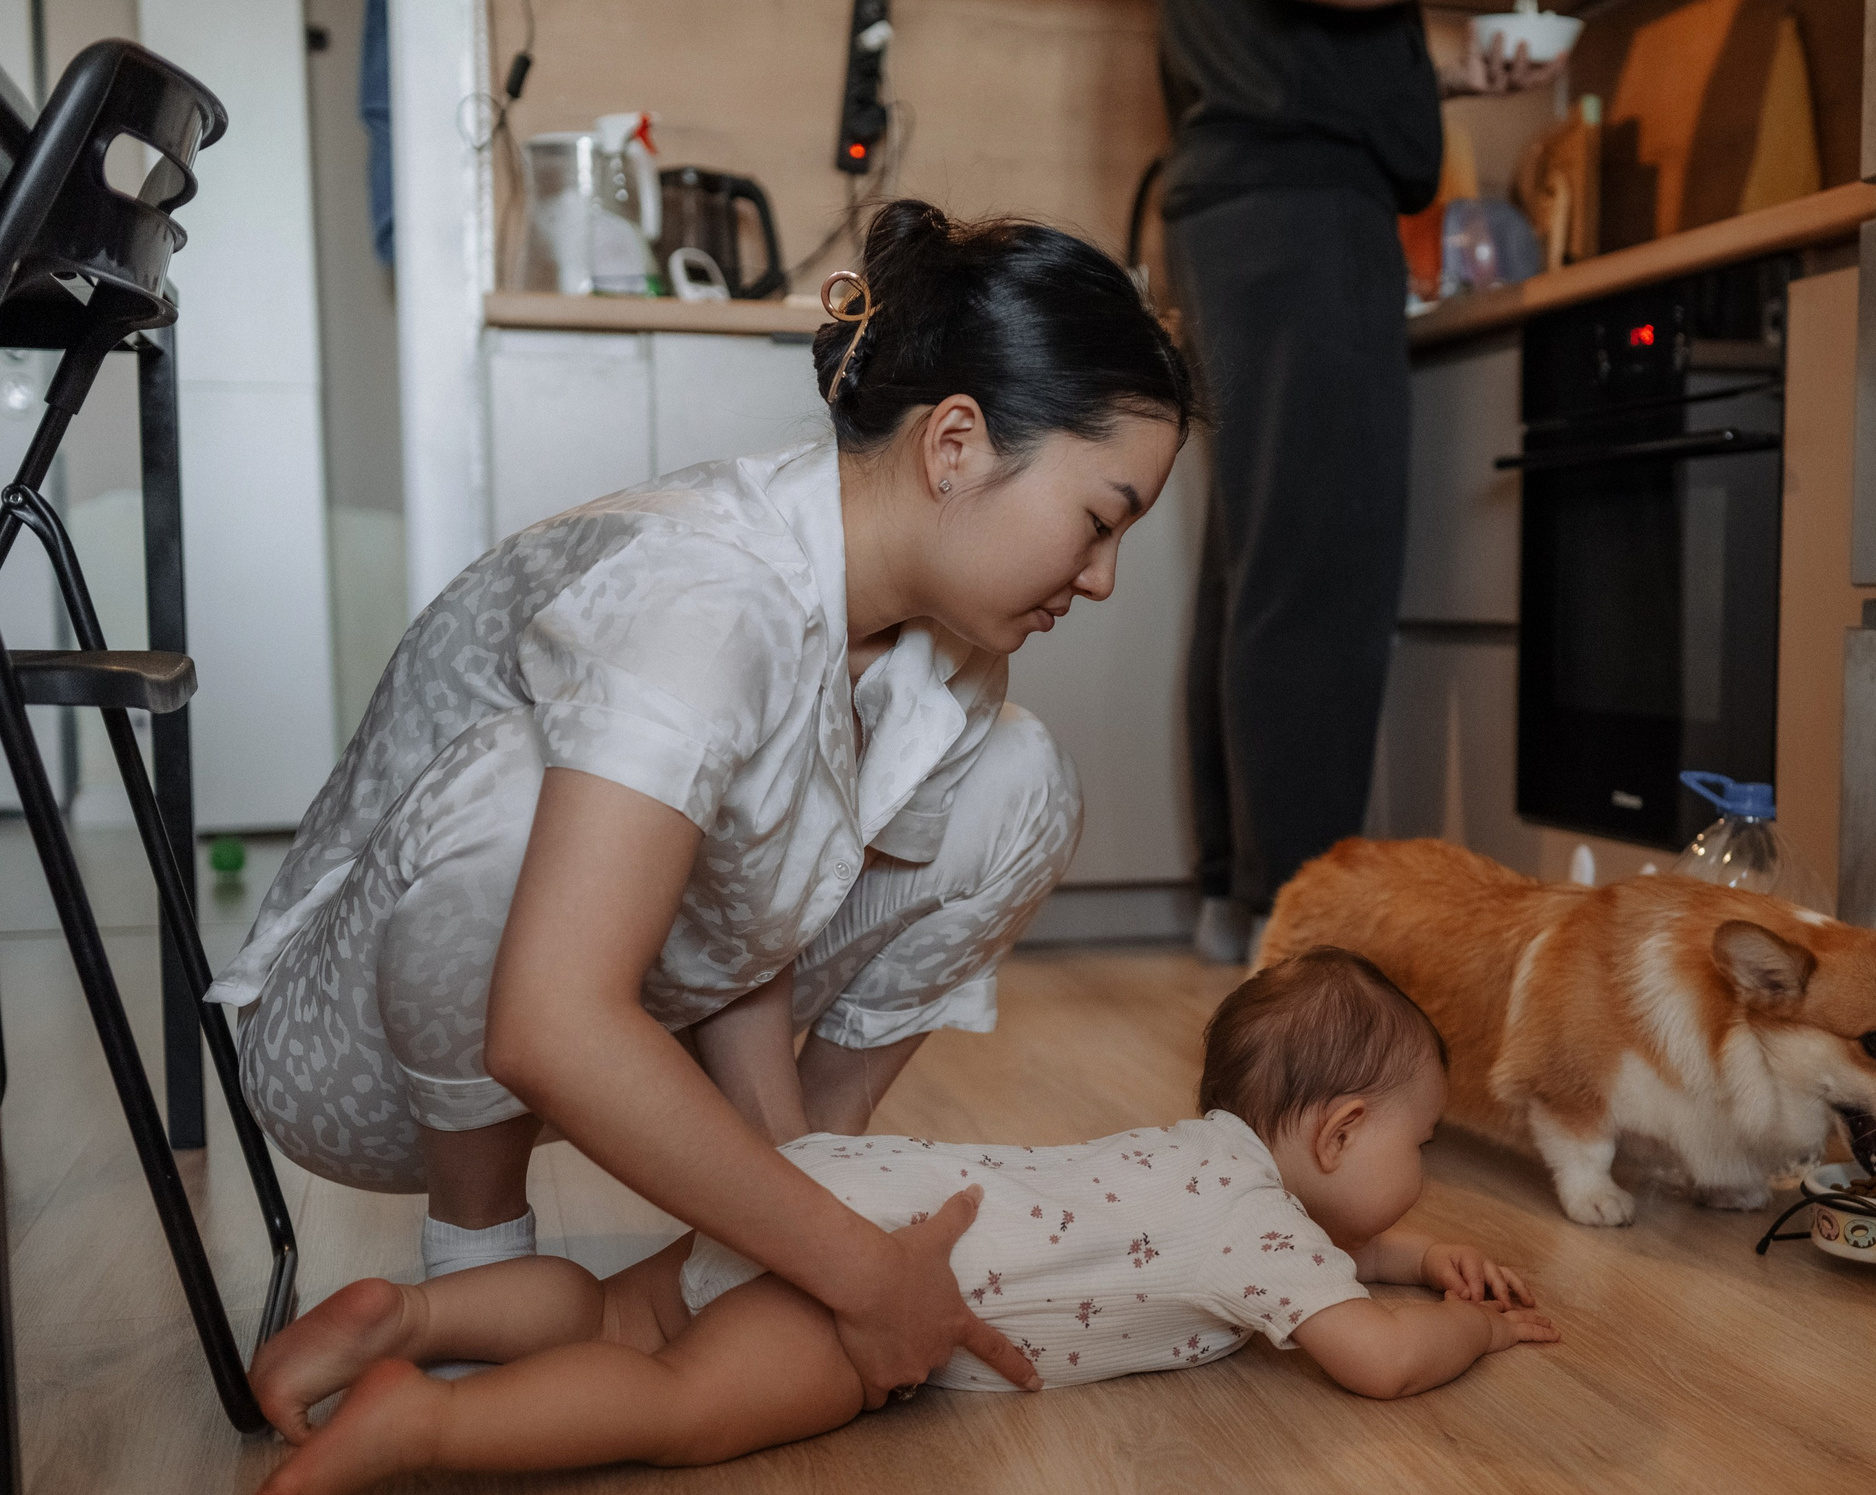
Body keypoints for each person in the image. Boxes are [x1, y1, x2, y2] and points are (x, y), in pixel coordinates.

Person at [207, 202, 1196, 1410]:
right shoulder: (705, 598)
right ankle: (475, 1261)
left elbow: (754, 887)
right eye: (1099, 522)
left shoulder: (939, 647)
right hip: (358, 1049)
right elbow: (550, 1024)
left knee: (1020, 780)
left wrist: (831, 1241)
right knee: (520, 802)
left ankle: (790, 1220)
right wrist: (873, 1286)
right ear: (954, 445)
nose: (1100, 579)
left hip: (624, 984)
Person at [237, 949, 1560, 1495]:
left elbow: (1339, 1253)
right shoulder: (1261, 1231)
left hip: (820, 1187)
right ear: (1334, 1130)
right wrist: (1477, 1325)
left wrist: (1409, 1250)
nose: (1422, 1174)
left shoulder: (1210, 1155)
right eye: (1421, 1141)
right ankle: (426, 1428)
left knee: (609, 1311)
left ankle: (411, 1321)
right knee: (679, 1397)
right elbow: (1375, 1360)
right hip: (877, 1286)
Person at [1157, 0, 1560, 963]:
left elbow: (1306, 44)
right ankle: (1300, 925)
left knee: (1266, 557)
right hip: (1300, 204)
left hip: (1247, 199)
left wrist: (1438, 75)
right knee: (1315, 566)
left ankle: (1244, 897)